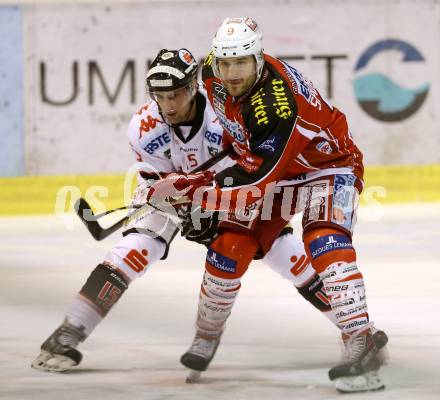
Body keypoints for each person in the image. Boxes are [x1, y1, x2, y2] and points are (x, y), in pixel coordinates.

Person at [31, 48, 334, 374]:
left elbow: (250, 176)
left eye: (175, 94)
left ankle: (355, 325)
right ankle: (68, 333)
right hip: (171, 193)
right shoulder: (143, 128)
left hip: (228, 192)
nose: (168, 105)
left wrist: (211, 207)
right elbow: (156, 186)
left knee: (285, 253)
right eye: (160, 96)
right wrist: (182, 203)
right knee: (135, 249)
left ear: (193, 88)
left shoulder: (227, 116)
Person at [138, 19, 389, 393]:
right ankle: (206, 336)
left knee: (324, 240)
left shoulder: (276, 105)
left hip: (328, 167)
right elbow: (224, 128)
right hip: (276, 169)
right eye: (225, 63)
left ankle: (359, 339)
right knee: (229, 247)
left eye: (240, 63)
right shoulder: (210, 72)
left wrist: (194, 191)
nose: (231, 73)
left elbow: (256, 182)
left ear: (258, 58)